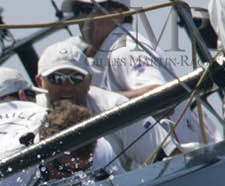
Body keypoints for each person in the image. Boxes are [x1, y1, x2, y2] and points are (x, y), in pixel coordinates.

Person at [34, 39, 167, 170]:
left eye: (76, 77)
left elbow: (170, 159)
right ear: (39, 82)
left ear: (89, 80)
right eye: (56, 78)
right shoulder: (30, 116)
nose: (67, 86)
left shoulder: (116, 107)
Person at [0, 101, 118, 186]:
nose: (71, 176)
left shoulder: (101, 151)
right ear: (44, 147)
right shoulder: (4, 179)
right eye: (63, 169)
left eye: (82, 169)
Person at [64, 0, 169, 99]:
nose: (80, 18)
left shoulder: (125, 49)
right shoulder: (120, 48)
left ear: (117, 14)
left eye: (87, 9)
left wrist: (99, 103)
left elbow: (160, 95)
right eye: (77, 11)